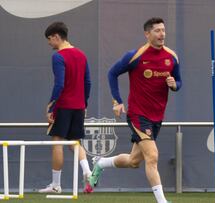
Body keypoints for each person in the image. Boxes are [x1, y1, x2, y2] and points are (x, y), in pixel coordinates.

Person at [88, 17, 181, 203]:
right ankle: (162, 201)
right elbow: (112, 73)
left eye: (163, 30)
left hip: (157, 116)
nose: (162, 34)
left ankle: (100, 163)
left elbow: (178, 82)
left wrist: (174, 85)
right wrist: (117, 101)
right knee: (152, 156)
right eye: (157, 30)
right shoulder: (135, 55)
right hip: (138, 114)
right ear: (147, 34)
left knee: (133, 161)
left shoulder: (171, 57)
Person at [39, 21, 93, 194]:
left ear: (56, 36)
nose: (49, 43)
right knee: (75, 143)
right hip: (79, 106)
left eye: (49, 39)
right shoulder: (82, 55)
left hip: (63, 106)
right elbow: (88, 82)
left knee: (57, 143)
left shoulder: (58, 56)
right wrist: (84, 103)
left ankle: (56, 185)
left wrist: (50, 106)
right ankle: (88, 173)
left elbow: (59, 84)